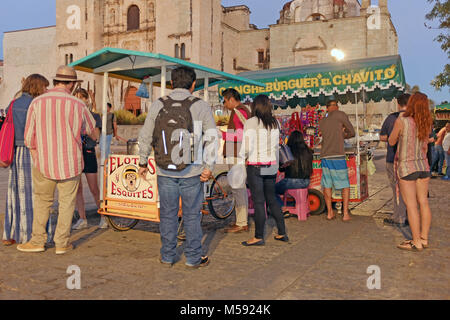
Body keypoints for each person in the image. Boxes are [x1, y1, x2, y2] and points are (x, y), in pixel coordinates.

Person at [138, 66, 218, 267]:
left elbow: (146, 135)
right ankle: (193, 258)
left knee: (168, 215)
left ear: (171, 84)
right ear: (193, 84)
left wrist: (142, 161)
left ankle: (167, 255)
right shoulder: (200, 105)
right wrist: (209, 166)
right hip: (193, 172)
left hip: (165, 171)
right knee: (192, 215)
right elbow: (211, 137)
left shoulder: (158, 104)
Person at [18, 66, 98, 255]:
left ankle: (37, 240)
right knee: (67, 203)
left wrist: (37, 157)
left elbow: (29, 138)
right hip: (70, 162)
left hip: (43, 162)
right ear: (71, 84)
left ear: (55, 82)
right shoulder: (78, 105)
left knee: (42, 202)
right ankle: (61, 243)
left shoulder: (37, 102)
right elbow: (93, 132)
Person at [2, 74, 49, 246]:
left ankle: (12, 232)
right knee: (37, 194)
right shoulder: (37, 105)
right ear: (38, 87)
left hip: (16, 152)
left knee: (15, 192)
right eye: (44, 87)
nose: (45, 90)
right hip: (33, 151)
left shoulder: (14, 103)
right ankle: (33, 233)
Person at [239, 94, 288, 246]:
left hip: (256, 166)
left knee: (259, 202)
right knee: (272, 199)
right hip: (271, 166)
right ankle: (282, 233)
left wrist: (241, 159)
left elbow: (246, 146)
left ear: (255, 106)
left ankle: (258, 236)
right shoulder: (275, 123)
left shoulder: (251, 122)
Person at [388, 92, 433, 251]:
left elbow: (391, 141)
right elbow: (426, 145)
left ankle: (415, 241)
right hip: (423, 167)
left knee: (411, 205)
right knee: (423, 202)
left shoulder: (402, 121)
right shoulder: (426, 122)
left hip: (407, 167)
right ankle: (424, 238)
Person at [71, 88, 104, 230]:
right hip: (75, 152)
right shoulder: (72, 115)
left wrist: (83, 125)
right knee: (77, 189)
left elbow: (95, 136)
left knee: (93, 188)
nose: (79, 101)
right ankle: (82, 218)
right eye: (76, 98)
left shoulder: (94, 116)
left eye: (81, 98)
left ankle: (103, 216)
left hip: (88, 152)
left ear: (86, 100)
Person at [318, 99, 355, 222]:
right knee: (344, 184)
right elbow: (352, 132)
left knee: (327, 184)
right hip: (338, 155)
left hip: (325, 156)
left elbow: (324, 136)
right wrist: (343, 134)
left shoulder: (322, 121)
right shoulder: (341, 114)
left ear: (327, 108)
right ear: (337, 107)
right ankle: (345, 214)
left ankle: (329, 213)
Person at [220, 88, 251, 233]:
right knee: (238, 187)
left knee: (238, 188)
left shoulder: (239, 111)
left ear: (231, 99)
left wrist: (223, 135)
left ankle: (242, 222)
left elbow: (241, 135)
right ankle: (240, 220)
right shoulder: (242, 110)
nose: (224, 104)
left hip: (237, 153)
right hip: (238, 153)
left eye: (225, 101)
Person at [379, 93, 410, 227]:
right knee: (409, 190)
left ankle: (399, 217)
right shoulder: (414, 118)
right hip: (411, 161)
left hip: (394, 159)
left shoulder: (392, 118)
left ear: (398, 103)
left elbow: (383, 137)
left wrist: (394, 136)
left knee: (397, 189)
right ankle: (408, 216)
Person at [275, 130, 313, 216]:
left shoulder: (288, 150)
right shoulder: (308, 151)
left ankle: (282, 207)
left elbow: (281, 169)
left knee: (270, 190)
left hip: (291, 182)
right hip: (306, 182)